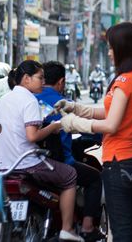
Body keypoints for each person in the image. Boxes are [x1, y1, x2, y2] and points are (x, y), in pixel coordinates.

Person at [55, 22, 132, 241]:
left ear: (123, 48)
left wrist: (73, 124)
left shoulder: (123, 81)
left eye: (112, 48)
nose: (110, 53)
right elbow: (108, 111)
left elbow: (111, 124)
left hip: (118, 163)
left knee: (122, 232)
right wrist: (75, 107)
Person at [0, 60, 82, 242]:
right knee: (70, 175)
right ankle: (67, 229)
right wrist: (55, 126)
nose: (43, 82)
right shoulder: (29, 100)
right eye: (40, 78)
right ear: (26, 79)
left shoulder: (4, 100)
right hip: (28, 164)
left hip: (5, 166)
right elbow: (32, 136)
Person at [35, 61, 105, 242]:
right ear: (61, 82)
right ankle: (88, 227)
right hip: (59, 162)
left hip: (29, 162)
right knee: (95, 178)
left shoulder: (30, 99)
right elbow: (85, 126)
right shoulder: (64, 103)